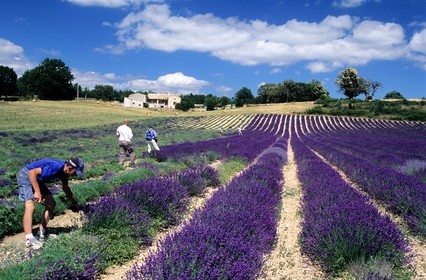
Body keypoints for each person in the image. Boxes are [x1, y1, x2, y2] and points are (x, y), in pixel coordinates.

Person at [17, 157, 84, 249]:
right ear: (70, 168)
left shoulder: (64, 173)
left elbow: (65, 188)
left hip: (37, 179)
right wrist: (37, 192)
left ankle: (42, 231)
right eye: (75, 173)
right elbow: (32, 172)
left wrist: (73, 201)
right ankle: (29, 238)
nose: (75, 175)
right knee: (30, 206)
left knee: (51, 203)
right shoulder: (56, 167)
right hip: (26, 175)